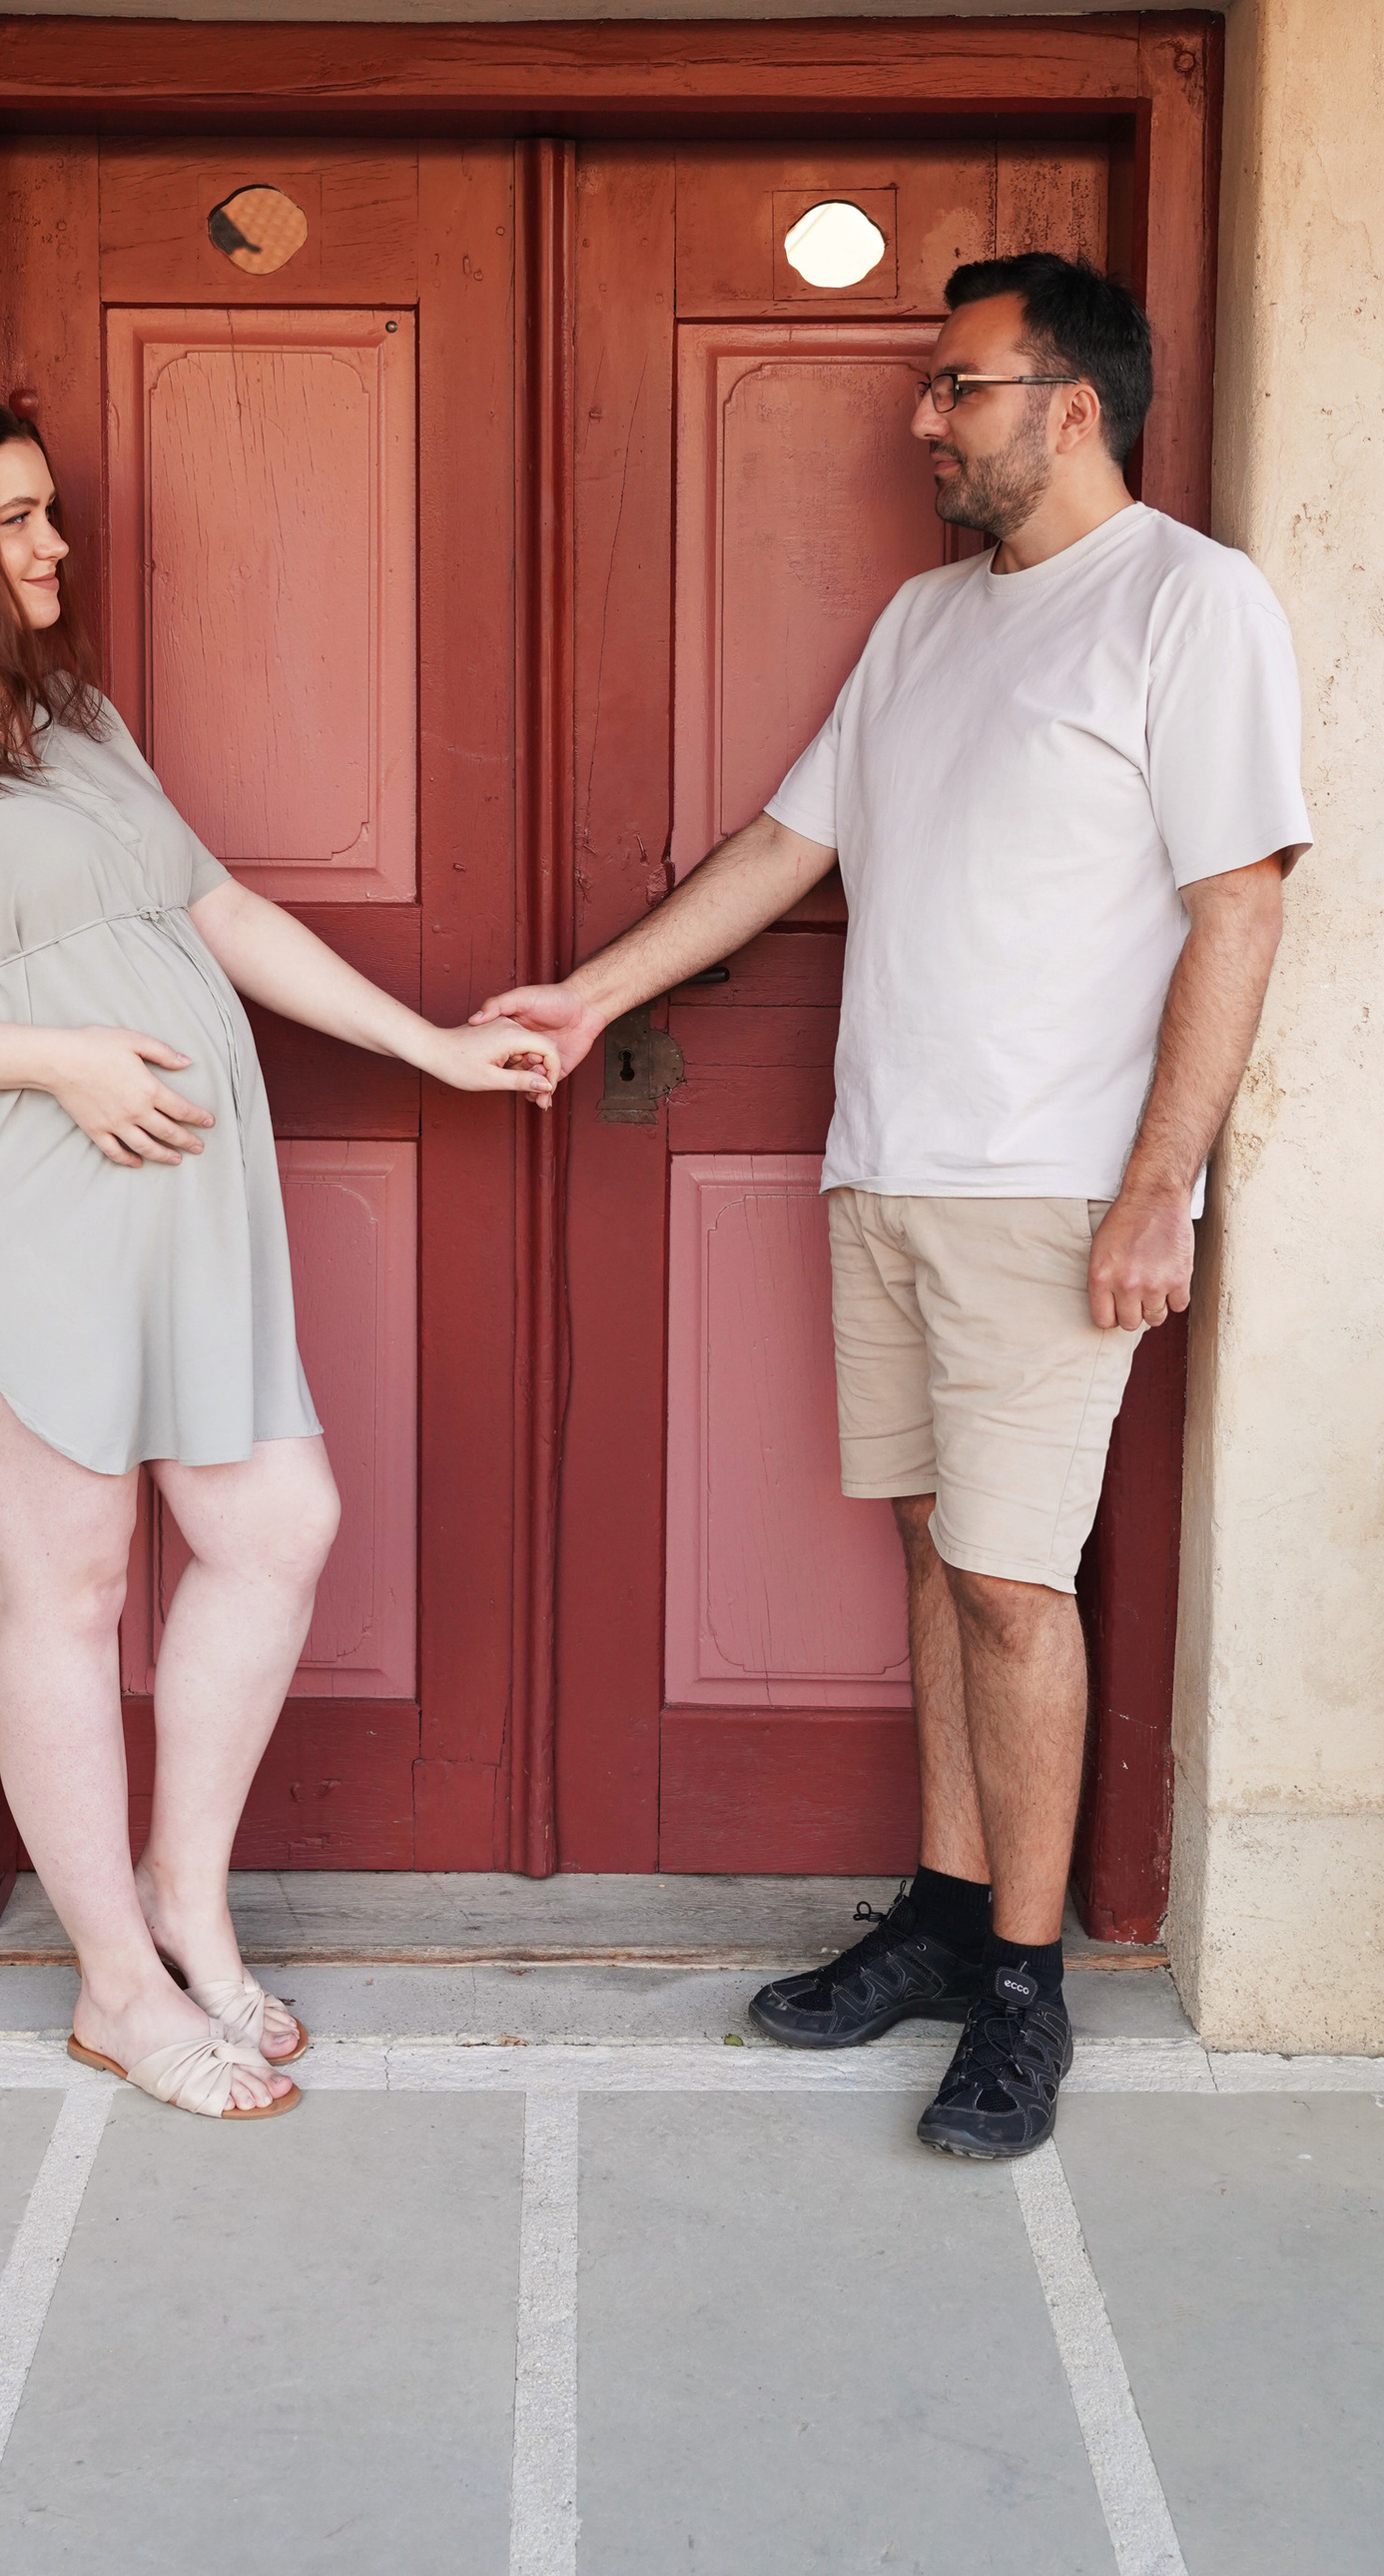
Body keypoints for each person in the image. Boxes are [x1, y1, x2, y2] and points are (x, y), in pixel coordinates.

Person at [483, 253, 1308, 2163]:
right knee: (941, 1561)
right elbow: (794, 841)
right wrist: (597, 991)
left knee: (1019, 1586)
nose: (923, 420)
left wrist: (1155, 1191)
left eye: (957, 386)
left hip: (1051, 1191)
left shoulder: (1192, 602)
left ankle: (1030, 1986)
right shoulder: (929, 620)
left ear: (1069, 402)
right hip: (888, 1172)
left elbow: (1242, 902)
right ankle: (946, 1918)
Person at [0, 394, 558, 2121]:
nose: (53, 547)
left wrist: (423, 1043)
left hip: (176, 1197)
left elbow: (214, 911)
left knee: (276, 1522)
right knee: (75, 1583)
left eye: (48, 514)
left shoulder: (71, 715)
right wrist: (59, 1057)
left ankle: (186, 1898)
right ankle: (117, 1985)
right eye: (15, 522)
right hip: (5, 1194)